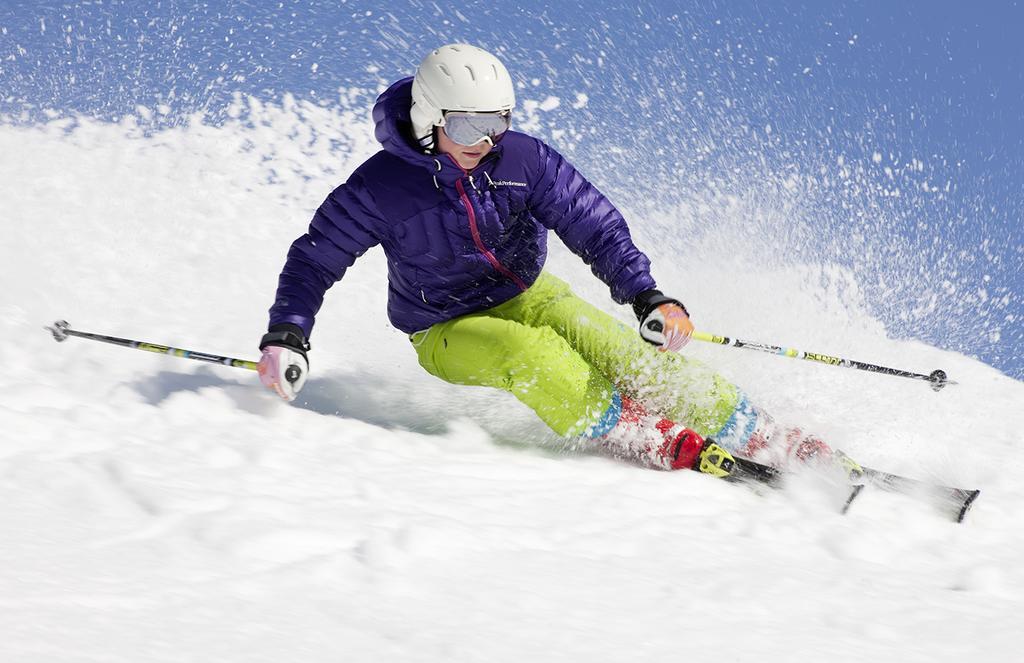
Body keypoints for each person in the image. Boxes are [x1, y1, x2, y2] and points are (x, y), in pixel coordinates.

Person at [257, 43, 847, 478]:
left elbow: (591, 222)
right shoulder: (380, 188)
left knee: (616, 348)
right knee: (529, 354)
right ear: (428, 119)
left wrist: (648, 295)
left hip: (530, 293)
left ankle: (763, 433)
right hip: (444, 327)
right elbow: (315, 260)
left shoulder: (523, 160)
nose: (483, 140)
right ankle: (637, 431)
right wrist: (289, 334)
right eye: (467, 124)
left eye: (496, 123)